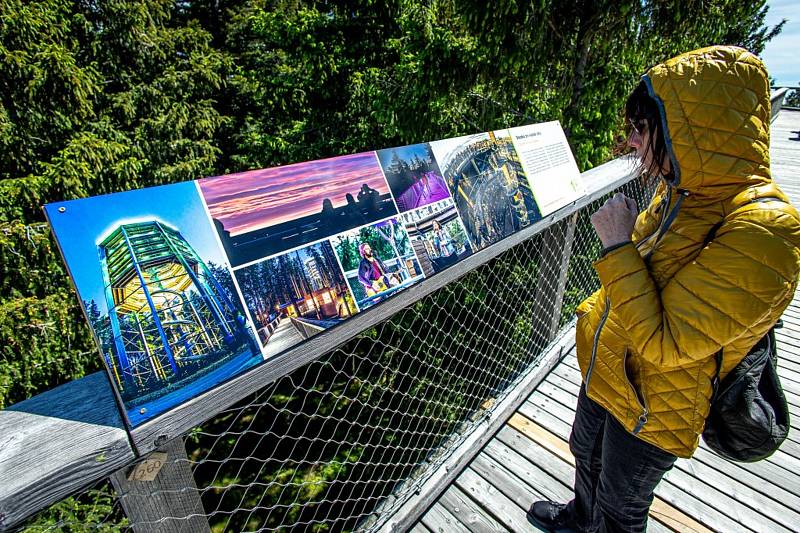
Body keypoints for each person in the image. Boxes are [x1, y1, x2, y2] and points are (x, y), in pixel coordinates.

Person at [528, 45, 800, 532]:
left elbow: (668, 345)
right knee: (584, 455)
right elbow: (651, 274)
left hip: (661, 401)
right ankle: (578, 518)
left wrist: (616, 246)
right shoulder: (683, 190)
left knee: (622, 505)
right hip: (610, 366)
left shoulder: (765, 229)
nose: (631, 144)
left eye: (640, 129)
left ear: (687, 130)